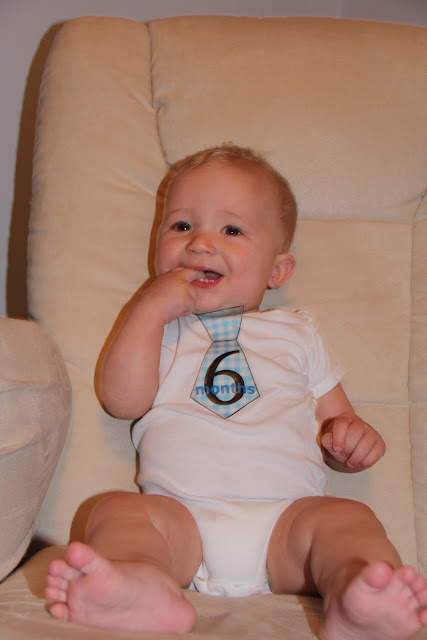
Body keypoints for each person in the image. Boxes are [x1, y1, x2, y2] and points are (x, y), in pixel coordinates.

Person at [45, 144, 427, 639]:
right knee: (117, 512)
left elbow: (338, 425)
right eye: (181, 225)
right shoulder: (160, 329)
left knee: (348, 518)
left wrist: (351, 442)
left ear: (277, 271)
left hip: (287, 526)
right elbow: (123, 401)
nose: (200, 243)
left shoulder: (298, 333)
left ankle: (358, 596)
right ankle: (141, 584)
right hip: (180, 521)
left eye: (231, 230)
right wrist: (150, 309)